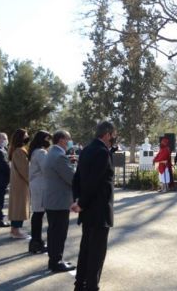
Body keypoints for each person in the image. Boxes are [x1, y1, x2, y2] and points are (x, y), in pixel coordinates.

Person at [71, 121, 117, 291]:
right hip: (98, 210)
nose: (114, 138)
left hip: (87, 208)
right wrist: (81, 203)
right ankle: (91, 286)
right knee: (96, 253)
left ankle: (80, 283)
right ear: (107, 134)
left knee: (85, 249)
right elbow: (94, 182)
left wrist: (77, 200)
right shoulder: (102, 153)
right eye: (113, 134)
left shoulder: (87, 150)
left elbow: (77, 178)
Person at [43, 130, 76, 272]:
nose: (70, 142)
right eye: (68, 139)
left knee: (53, 232)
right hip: (59, 201)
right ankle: (56, 262)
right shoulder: (59, 156)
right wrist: (74, 167)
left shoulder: (52, 153)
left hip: (52, 200)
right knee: (59, 233)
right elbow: (72, 178)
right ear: (62, 140)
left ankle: (54, 260)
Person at [28, 130, 51, 254]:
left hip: (36, 184)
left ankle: (36, 241)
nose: (49, 142)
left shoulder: (35, 151)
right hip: (40, 185)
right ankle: (36, 242)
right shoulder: (41, 152)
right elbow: (46, 168)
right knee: (38, 215)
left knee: (37, 214)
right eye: (47, 139)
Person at [7, 129, 31, 239]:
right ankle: (15, 231)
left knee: (17, 206)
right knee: (18, 207)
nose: (28, 137)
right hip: (20, 184)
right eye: (26, 135)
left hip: (18, 183)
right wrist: (31, 180)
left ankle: (15, 229)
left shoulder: (17, 150)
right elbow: (24, 169)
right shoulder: (19, 151)